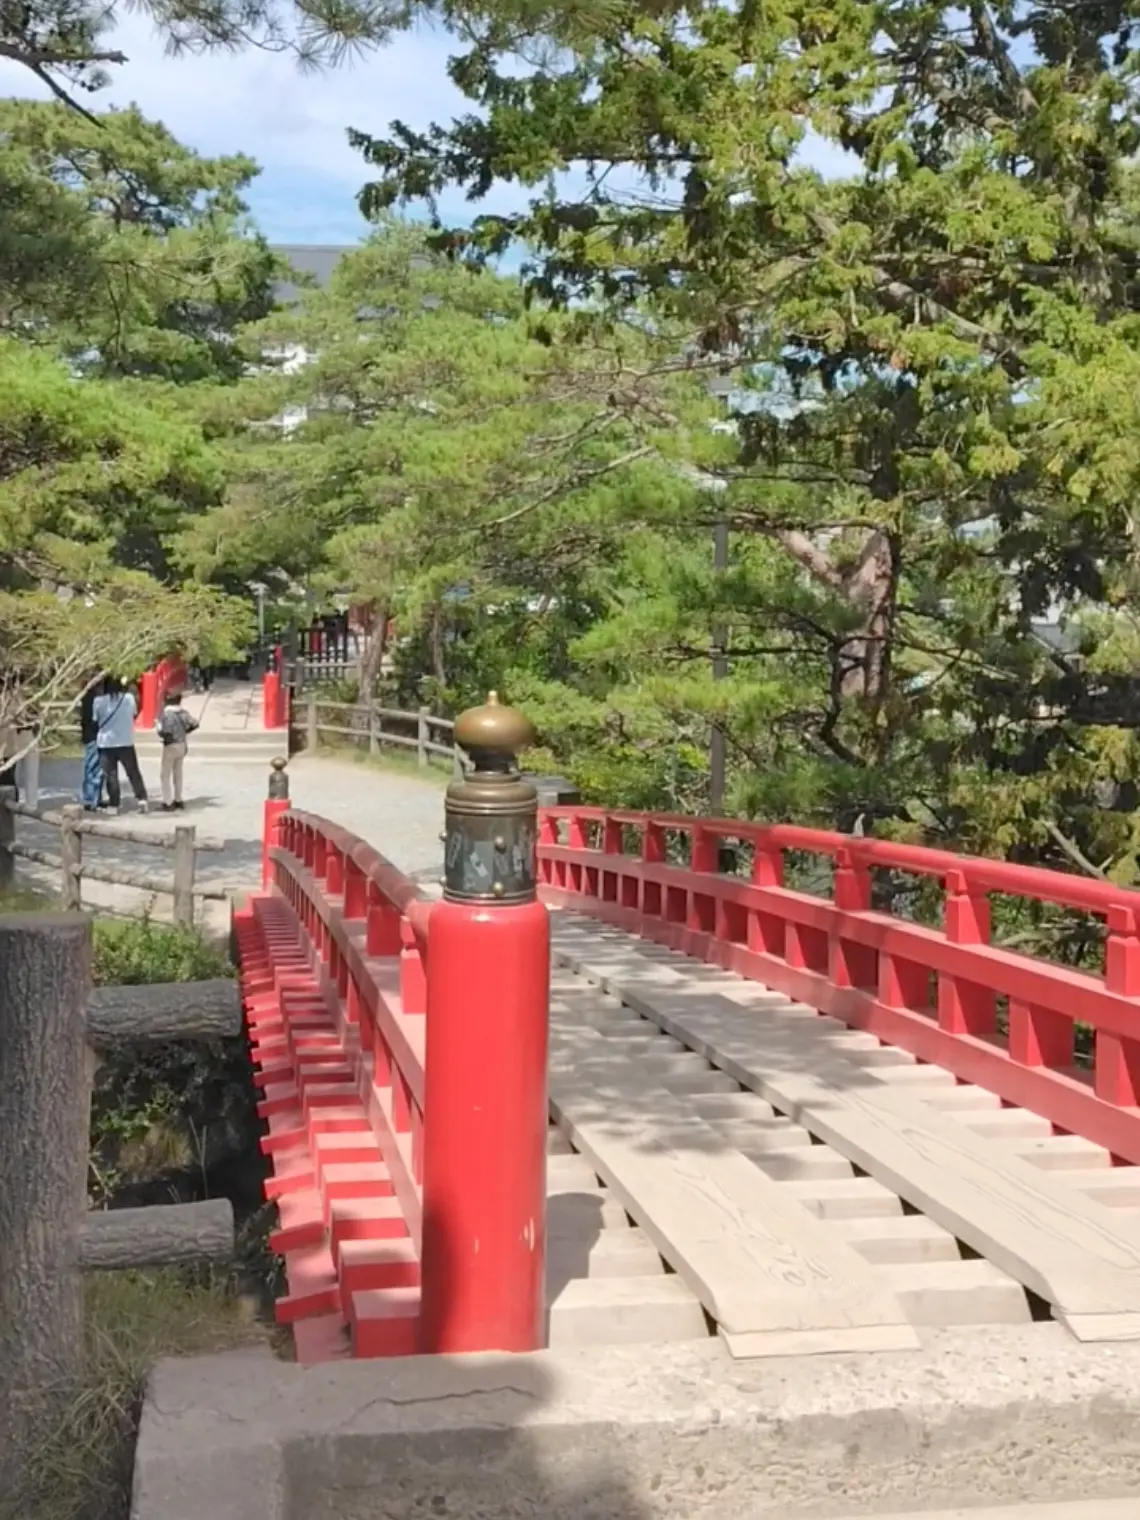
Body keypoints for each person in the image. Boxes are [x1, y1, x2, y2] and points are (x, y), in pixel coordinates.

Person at [93, 676, 148, 814]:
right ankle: (142, 799)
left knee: (111, 775)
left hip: (106, 743)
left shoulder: (98, 702)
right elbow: (134, 714)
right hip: (125, 741)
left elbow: (95, 720)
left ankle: (114, 804)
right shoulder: (128, 698)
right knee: (133, 772)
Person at [155, 689, 198, 811]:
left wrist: (159, 729)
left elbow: (166, 731)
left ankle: (167, 801)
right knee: (178, 773)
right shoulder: (183, 713)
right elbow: (195, 724)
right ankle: (178, 799)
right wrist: (185, 732)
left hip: (171, 745)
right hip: (182, 744)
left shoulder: (167, 714)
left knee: (165, 774)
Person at [79, 678, 105, 811]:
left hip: (92, 736)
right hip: (93, 736)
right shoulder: (93, 700)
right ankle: (90, 799)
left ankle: (95, 797)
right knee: (93, 767)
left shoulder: (88, 698)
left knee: (97, 768)